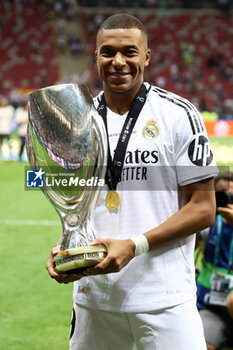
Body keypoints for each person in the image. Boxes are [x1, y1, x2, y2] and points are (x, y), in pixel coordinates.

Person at [46, 13, 218, 350]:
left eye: (130, 51)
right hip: (95, 298)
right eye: (108, 52)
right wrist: (65, 248)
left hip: (165, 298)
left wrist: (134, 244)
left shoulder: (178, 114)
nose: (118, 62)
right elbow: (75, 206)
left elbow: (203, 209)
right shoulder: (77, 122)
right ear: (95, 56)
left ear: (147, 57)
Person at [196, 172, 233, 350]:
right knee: (201, 346)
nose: (228, 199)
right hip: (212, 305)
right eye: (222, 194)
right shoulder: (209, 223)